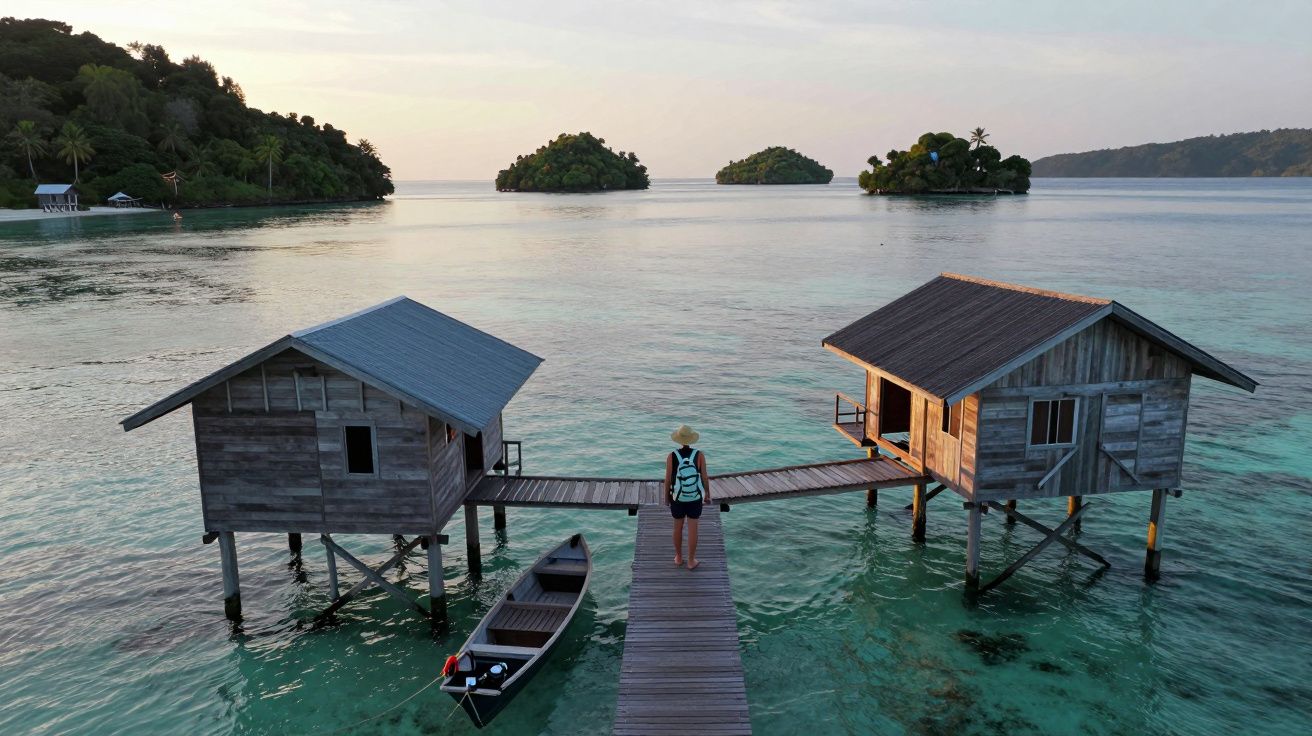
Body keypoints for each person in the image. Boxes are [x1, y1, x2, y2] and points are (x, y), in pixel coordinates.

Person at [665, 424, 710, 570]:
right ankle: (691, 561)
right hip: (694, 498)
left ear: (678, 439)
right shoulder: (699, 455)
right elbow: (704, 478)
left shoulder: (672, 456)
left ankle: (678, 557)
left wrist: (666, 497)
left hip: (677, 498)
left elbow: (668, 480)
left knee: (677, 528)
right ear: (692, 439)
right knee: (693, 529)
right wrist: (707, 495)